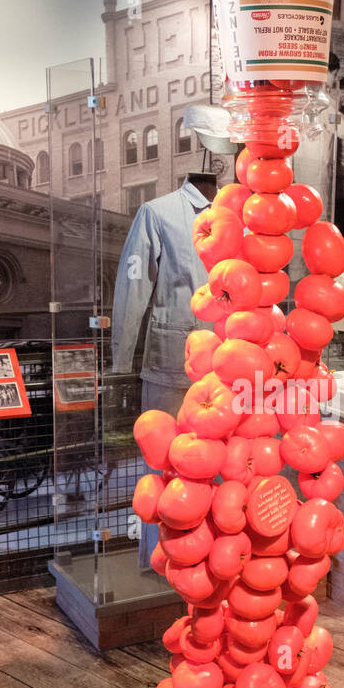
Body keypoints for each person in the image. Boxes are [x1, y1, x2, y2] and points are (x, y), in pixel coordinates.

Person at [112, 174, 218, 561]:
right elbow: (132, 286)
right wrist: (122, 360)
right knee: (163, 465)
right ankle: (158, 559)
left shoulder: (236, 214)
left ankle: (212, 558)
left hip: (229, 366)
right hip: (171, 361)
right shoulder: (157, 214)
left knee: (221, 469)